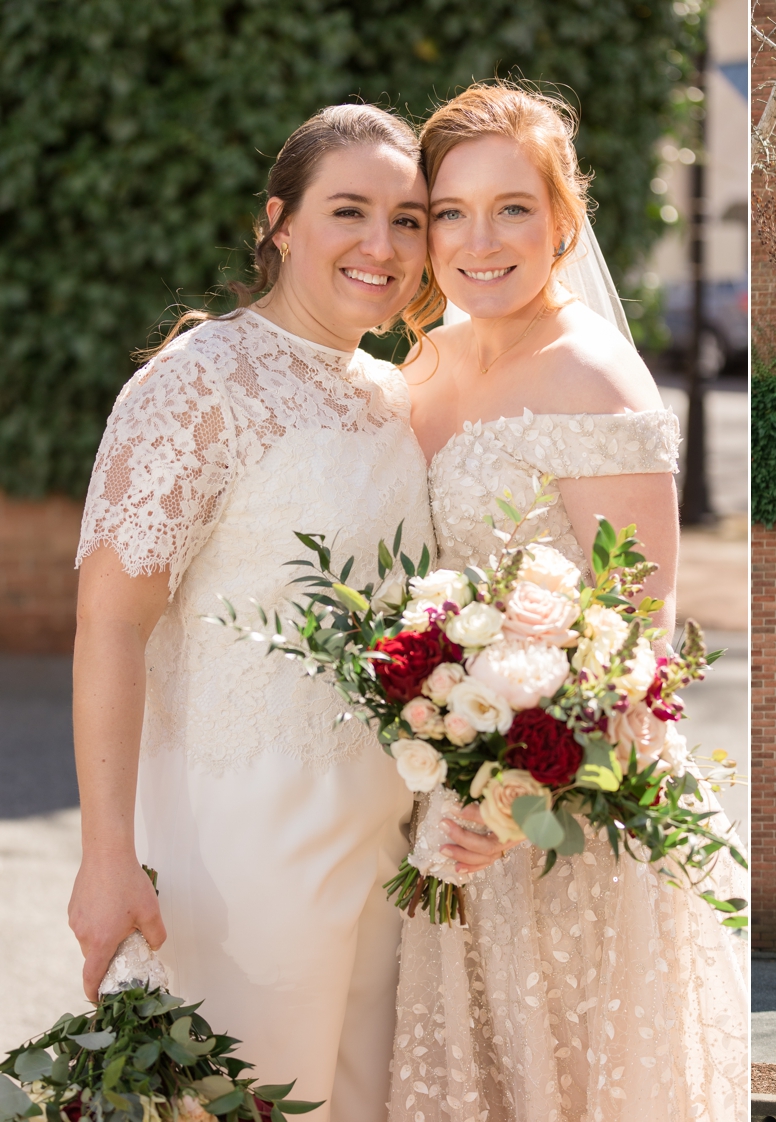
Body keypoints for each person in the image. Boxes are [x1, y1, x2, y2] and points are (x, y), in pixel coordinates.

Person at [389, 82, 748, 1121]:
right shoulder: (427, 361)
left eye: (512, 208)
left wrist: (515, 807)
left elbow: (642, 634)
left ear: (563, 219)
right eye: (451, 211)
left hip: (569, 822)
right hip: (446, 802)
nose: (479, 238)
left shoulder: (595, 378)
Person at [69, 106, 434, 1119]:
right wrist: (106, 858)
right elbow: (110, 625)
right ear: (278, 222)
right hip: (240, 848)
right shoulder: (199, 385)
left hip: (387, 839)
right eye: (349, 211)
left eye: (407, 220)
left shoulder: (398, 395)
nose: (382, 245)